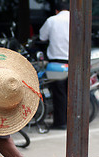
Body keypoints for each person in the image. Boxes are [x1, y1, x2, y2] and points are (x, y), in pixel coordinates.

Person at [39, 0, 69, 130]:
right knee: (73, 93)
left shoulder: (52, 20)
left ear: (56, 10)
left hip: (57, 63)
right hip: (74, 62)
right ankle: (73, 122)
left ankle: (61, 122)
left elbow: (42, 37)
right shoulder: (77, 19)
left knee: (59, 94)